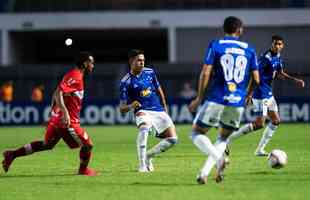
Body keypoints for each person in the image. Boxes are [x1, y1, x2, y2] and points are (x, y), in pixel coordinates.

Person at [188, 16, 260, 184]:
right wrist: (248, 94)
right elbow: (256, 79)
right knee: (223, 138)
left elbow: (206, 72)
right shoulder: (250, 49)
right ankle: (203, 173)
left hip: (217, 97)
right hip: (237, 102)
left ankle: (218, 159)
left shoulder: (216, 45)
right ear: (240, 30)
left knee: (196, 132)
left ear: (224, 29)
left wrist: (199, 98)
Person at [2, 52, 98, 176]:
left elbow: (55, 93)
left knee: (46, 145)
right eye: (91, 63)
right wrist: (64, 113)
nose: (93, 66)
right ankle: (83, 170)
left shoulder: (73, 74)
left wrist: (54, 114)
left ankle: (12, 154)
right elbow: (58, 93)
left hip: (57, 119)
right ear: (85, 63)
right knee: (88, 145)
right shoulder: (76, 76)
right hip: (67, 122)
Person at [226, 35, 305, 156]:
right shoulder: (265, 59)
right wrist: (249, 94)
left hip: (268, 94)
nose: (277, 46)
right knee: (259, 124)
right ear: (271, 45)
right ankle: (227, 140)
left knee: (276, 120)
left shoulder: (277, 57)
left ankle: (259, 150)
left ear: (282, 46)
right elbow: (255, 75)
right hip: (261, 94)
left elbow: (280, 73)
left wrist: (295, 80)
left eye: (279, 44)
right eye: (275, 44)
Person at [119, 49, 178, 173]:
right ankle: (141, 165)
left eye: (143, 60)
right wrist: (131, 106)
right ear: (131, 61)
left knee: (173, 139)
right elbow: (122, 109)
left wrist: (165, 108)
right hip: (142, 110)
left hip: (158, 109)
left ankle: (148, 156)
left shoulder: (150, 72)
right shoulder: (125, 82)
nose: (142, 63)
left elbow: (159, 89)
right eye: (139, 60)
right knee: (144, 129)